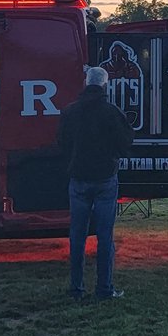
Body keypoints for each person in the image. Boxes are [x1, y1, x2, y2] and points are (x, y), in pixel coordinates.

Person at [58, 66, 133, 301]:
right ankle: (104, 289)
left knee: (77, 236)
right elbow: (125, 145)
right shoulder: (112, 112)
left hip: (79, 178)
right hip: (104, 179)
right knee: (104, 236)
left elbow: (62, 143)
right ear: (105, 85)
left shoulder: (69, 112)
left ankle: (76, 288)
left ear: (86, 82)